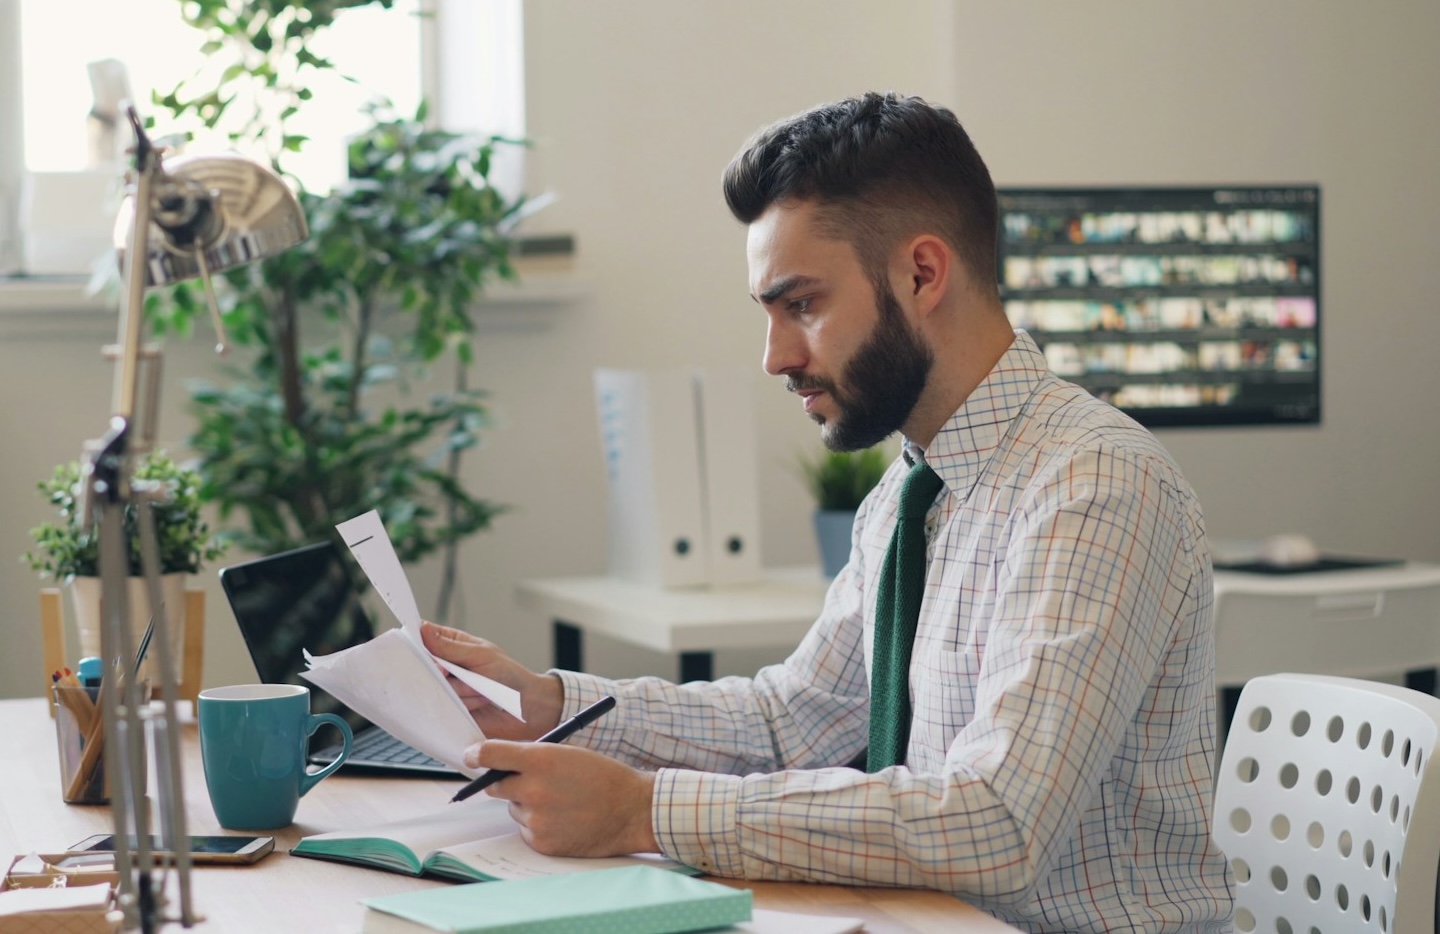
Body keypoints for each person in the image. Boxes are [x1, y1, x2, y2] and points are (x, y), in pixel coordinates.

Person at [421, 91, 1233, 933]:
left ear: (922, 273)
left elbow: (997, 823)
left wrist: (644, 812)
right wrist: (554, 706)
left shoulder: (1094, 485)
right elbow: (790, 722)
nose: (776, 357)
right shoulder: (910, 492)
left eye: (801, 304)